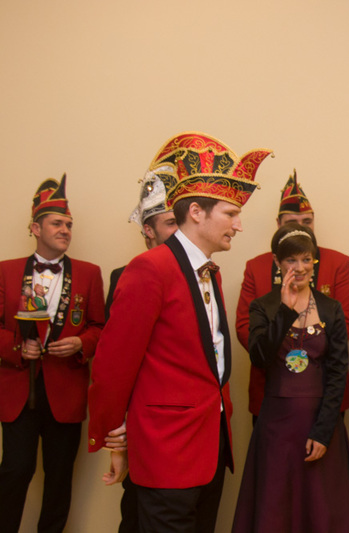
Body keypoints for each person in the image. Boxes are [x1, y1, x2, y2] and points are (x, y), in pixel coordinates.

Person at [87, 132, 272, 533]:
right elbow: (114, 364)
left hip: (209, 446)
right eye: (231, 213)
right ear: (197, 212)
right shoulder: (150, 268)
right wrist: (114, 439)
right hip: (166, 450)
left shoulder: (210, 272)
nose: (239, 225)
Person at [232, 223, 349, 532]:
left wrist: (323, 431)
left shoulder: (331, 309)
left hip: (321, 424)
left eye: (306, 259)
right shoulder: (262, 307)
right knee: (275, 508)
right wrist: (285, 311)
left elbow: (338, 372)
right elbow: (259, 358)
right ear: (277, 262)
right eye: (292, 260)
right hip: (276, 427)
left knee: (321, 510)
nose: (301, 267)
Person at [0, 174, 105, 533]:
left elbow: (99, 327)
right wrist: (19, 347)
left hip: (66, 390)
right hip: (18, 390)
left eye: (69, 225)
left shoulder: (89, 273)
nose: (65, 230)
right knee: (15, 471)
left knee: (59, 479)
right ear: (35, 227)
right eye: (57, 223)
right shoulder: (6, 271)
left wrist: (81, 344)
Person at [236, 170, 349, 422]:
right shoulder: (256, 267)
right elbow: (244, 326)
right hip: (270, 385)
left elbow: (346, 322)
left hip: (324, 386)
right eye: (292, 222)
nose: (301, 228)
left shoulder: (338, 263)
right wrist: (280, 355)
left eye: (307, 222)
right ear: (278, 224)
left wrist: (308, 357)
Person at [103, 170, 178, 533]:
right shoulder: (127, 275)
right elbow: (116, 361)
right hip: (142, 421)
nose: (179, 232)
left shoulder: (202, 274)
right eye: (170, 223)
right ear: (148, 229)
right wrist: (118, 431)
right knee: (137, 513)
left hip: (184, 423)